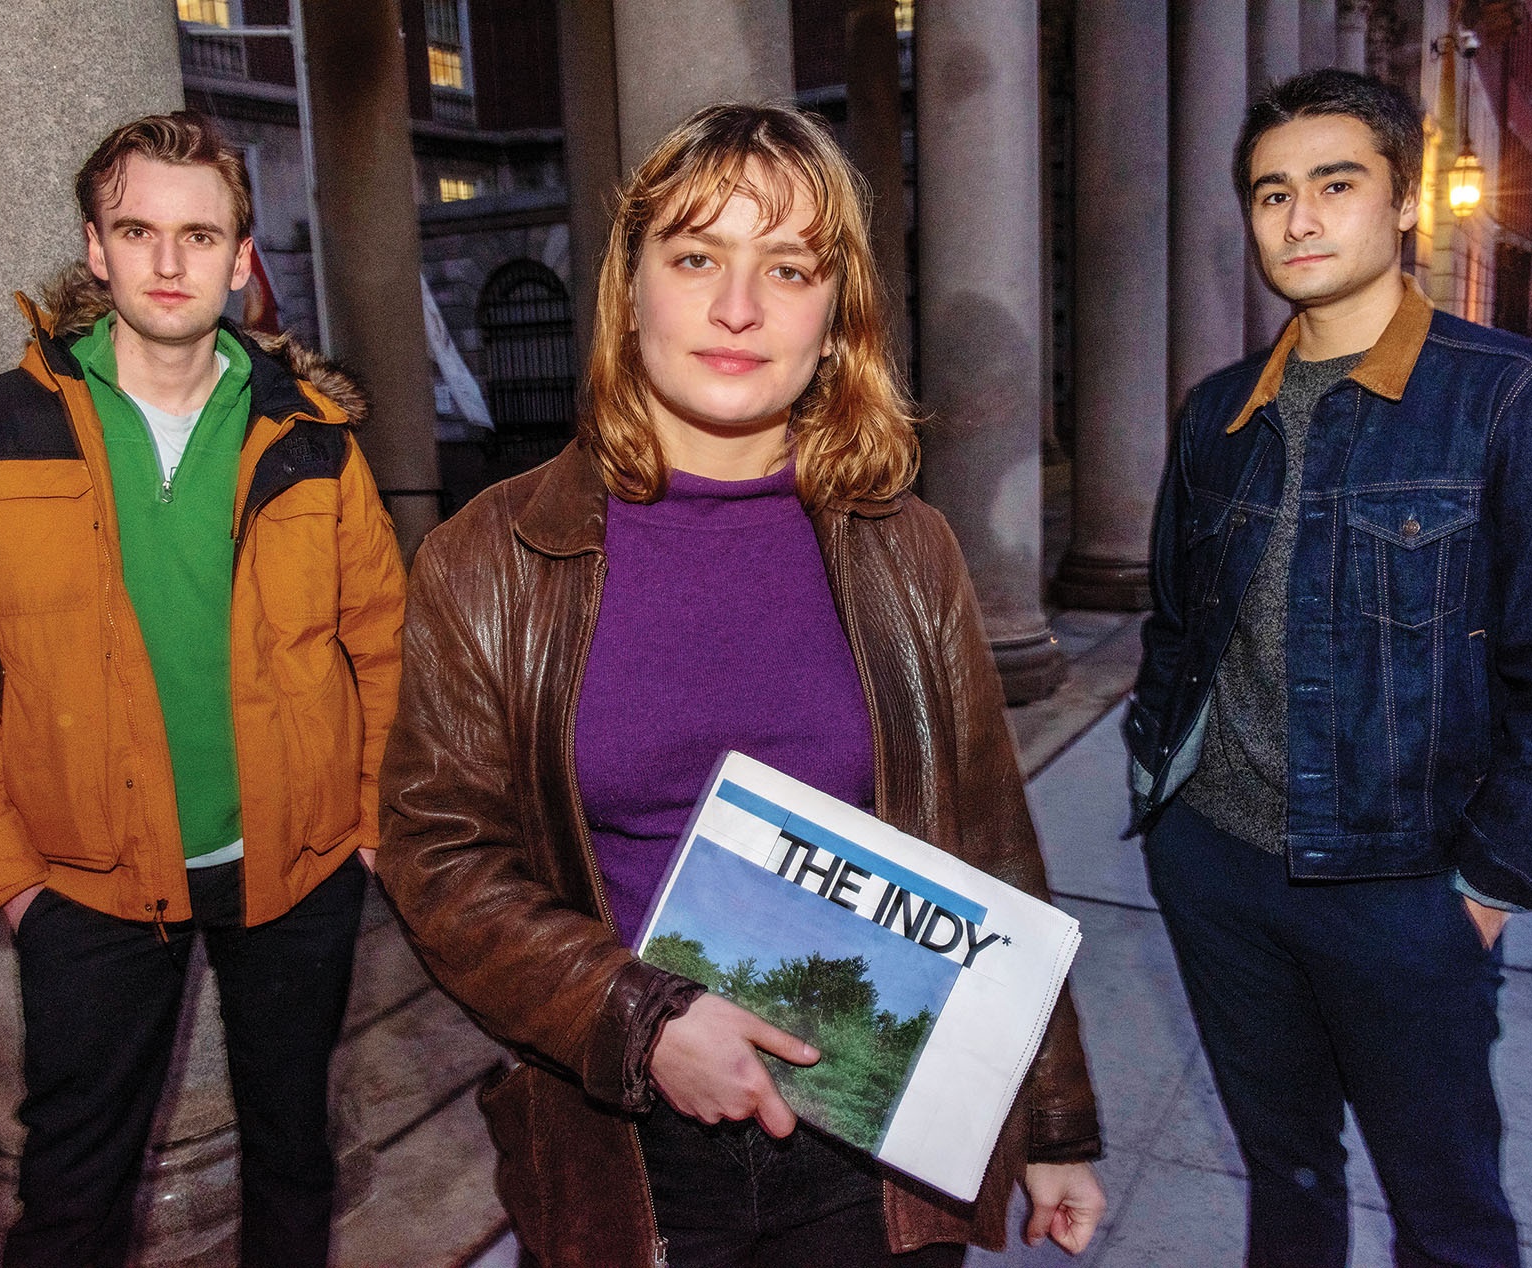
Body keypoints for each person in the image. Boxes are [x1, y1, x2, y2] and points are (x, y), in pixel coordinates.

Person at [378, 103, 1105, 1268]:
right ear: (630, 289)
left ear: (837, 316)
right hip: (627, 1137)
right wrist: (643, 1019)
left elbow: (986, 843)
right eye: (696, 256)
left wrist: (1055, 1119)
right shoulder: (492, 554)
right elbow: (439, 857)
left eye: (787, 266)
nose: (736, 307)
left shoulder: (903, 544)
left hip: (874, 1144)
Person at [0, 111, 405, 1268]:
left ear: (239, 256)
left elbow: (383, 642)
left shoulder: (310, 433)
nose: (170, 263)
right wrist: (12, 881)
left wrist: (367, 824)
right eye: (139, 230)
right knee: (71, 1189)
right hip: (88, 884)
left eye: (200, 234)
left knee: (292, 1158)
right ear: (95, 249)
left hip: (298, 867)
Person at [1126, 68, 1532, 1268]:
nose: (1298, 219)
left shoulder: (1513, 399)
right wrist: (1168, 805)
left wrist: (1488, 889)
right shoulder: (1212, 412)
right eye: (1270, 193)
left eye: (1334, 185)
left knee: (1445, 1210)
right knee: (1285, 1175)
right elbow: (1173, 623)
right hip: (1219, 871)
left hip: (1405, 889)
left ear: (1403, 202)